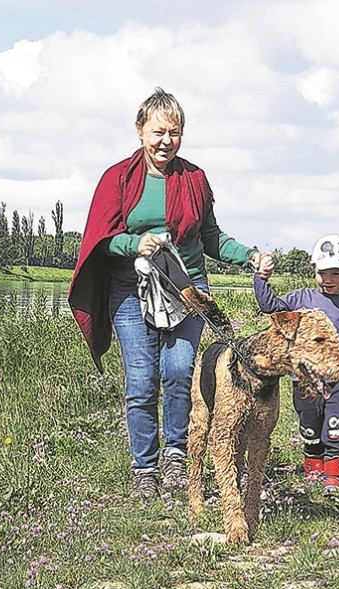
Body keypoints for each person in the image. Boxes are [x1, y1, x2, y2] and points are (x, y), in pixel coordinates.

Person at [69, 88, 271, 499]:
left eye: (174, 133)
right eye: (158, 131)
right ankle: (145, 468)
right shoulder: (117, 179)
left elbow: (211, 238)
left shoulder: (194, 179)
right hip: (131, 291)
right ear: (140, 130)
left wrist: (247, 255)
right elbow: (101, 240)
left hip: (188, 291)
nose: (166, 141)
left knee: (180, 373)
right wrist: (134, 243)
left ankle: (177, 458)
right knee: (142, 381)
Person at [253, 234, 339, 491]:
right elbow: (270, 307)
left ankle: (335, 476)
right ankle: (314, 469)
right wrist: (261, 279)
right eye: (323, 273)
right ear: (313, 270)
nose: (328, 280)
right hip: (305, 379)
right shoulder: (300, 299)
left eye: (336, 274)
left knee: (336, 426)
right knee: (309, 426)